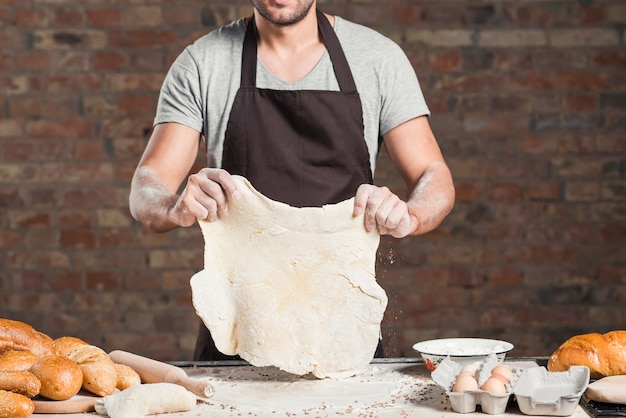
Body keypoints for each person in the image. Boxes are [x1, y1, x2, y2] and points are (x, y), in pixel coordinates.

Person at [129, 0, 455, 361]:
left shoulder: (377, 59)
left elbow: (434, 175)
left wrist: (410, 214)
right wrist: (174, 206)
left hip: (344, 329)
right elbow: (148, 182)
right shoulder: (204, 63)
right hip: (238, 332)